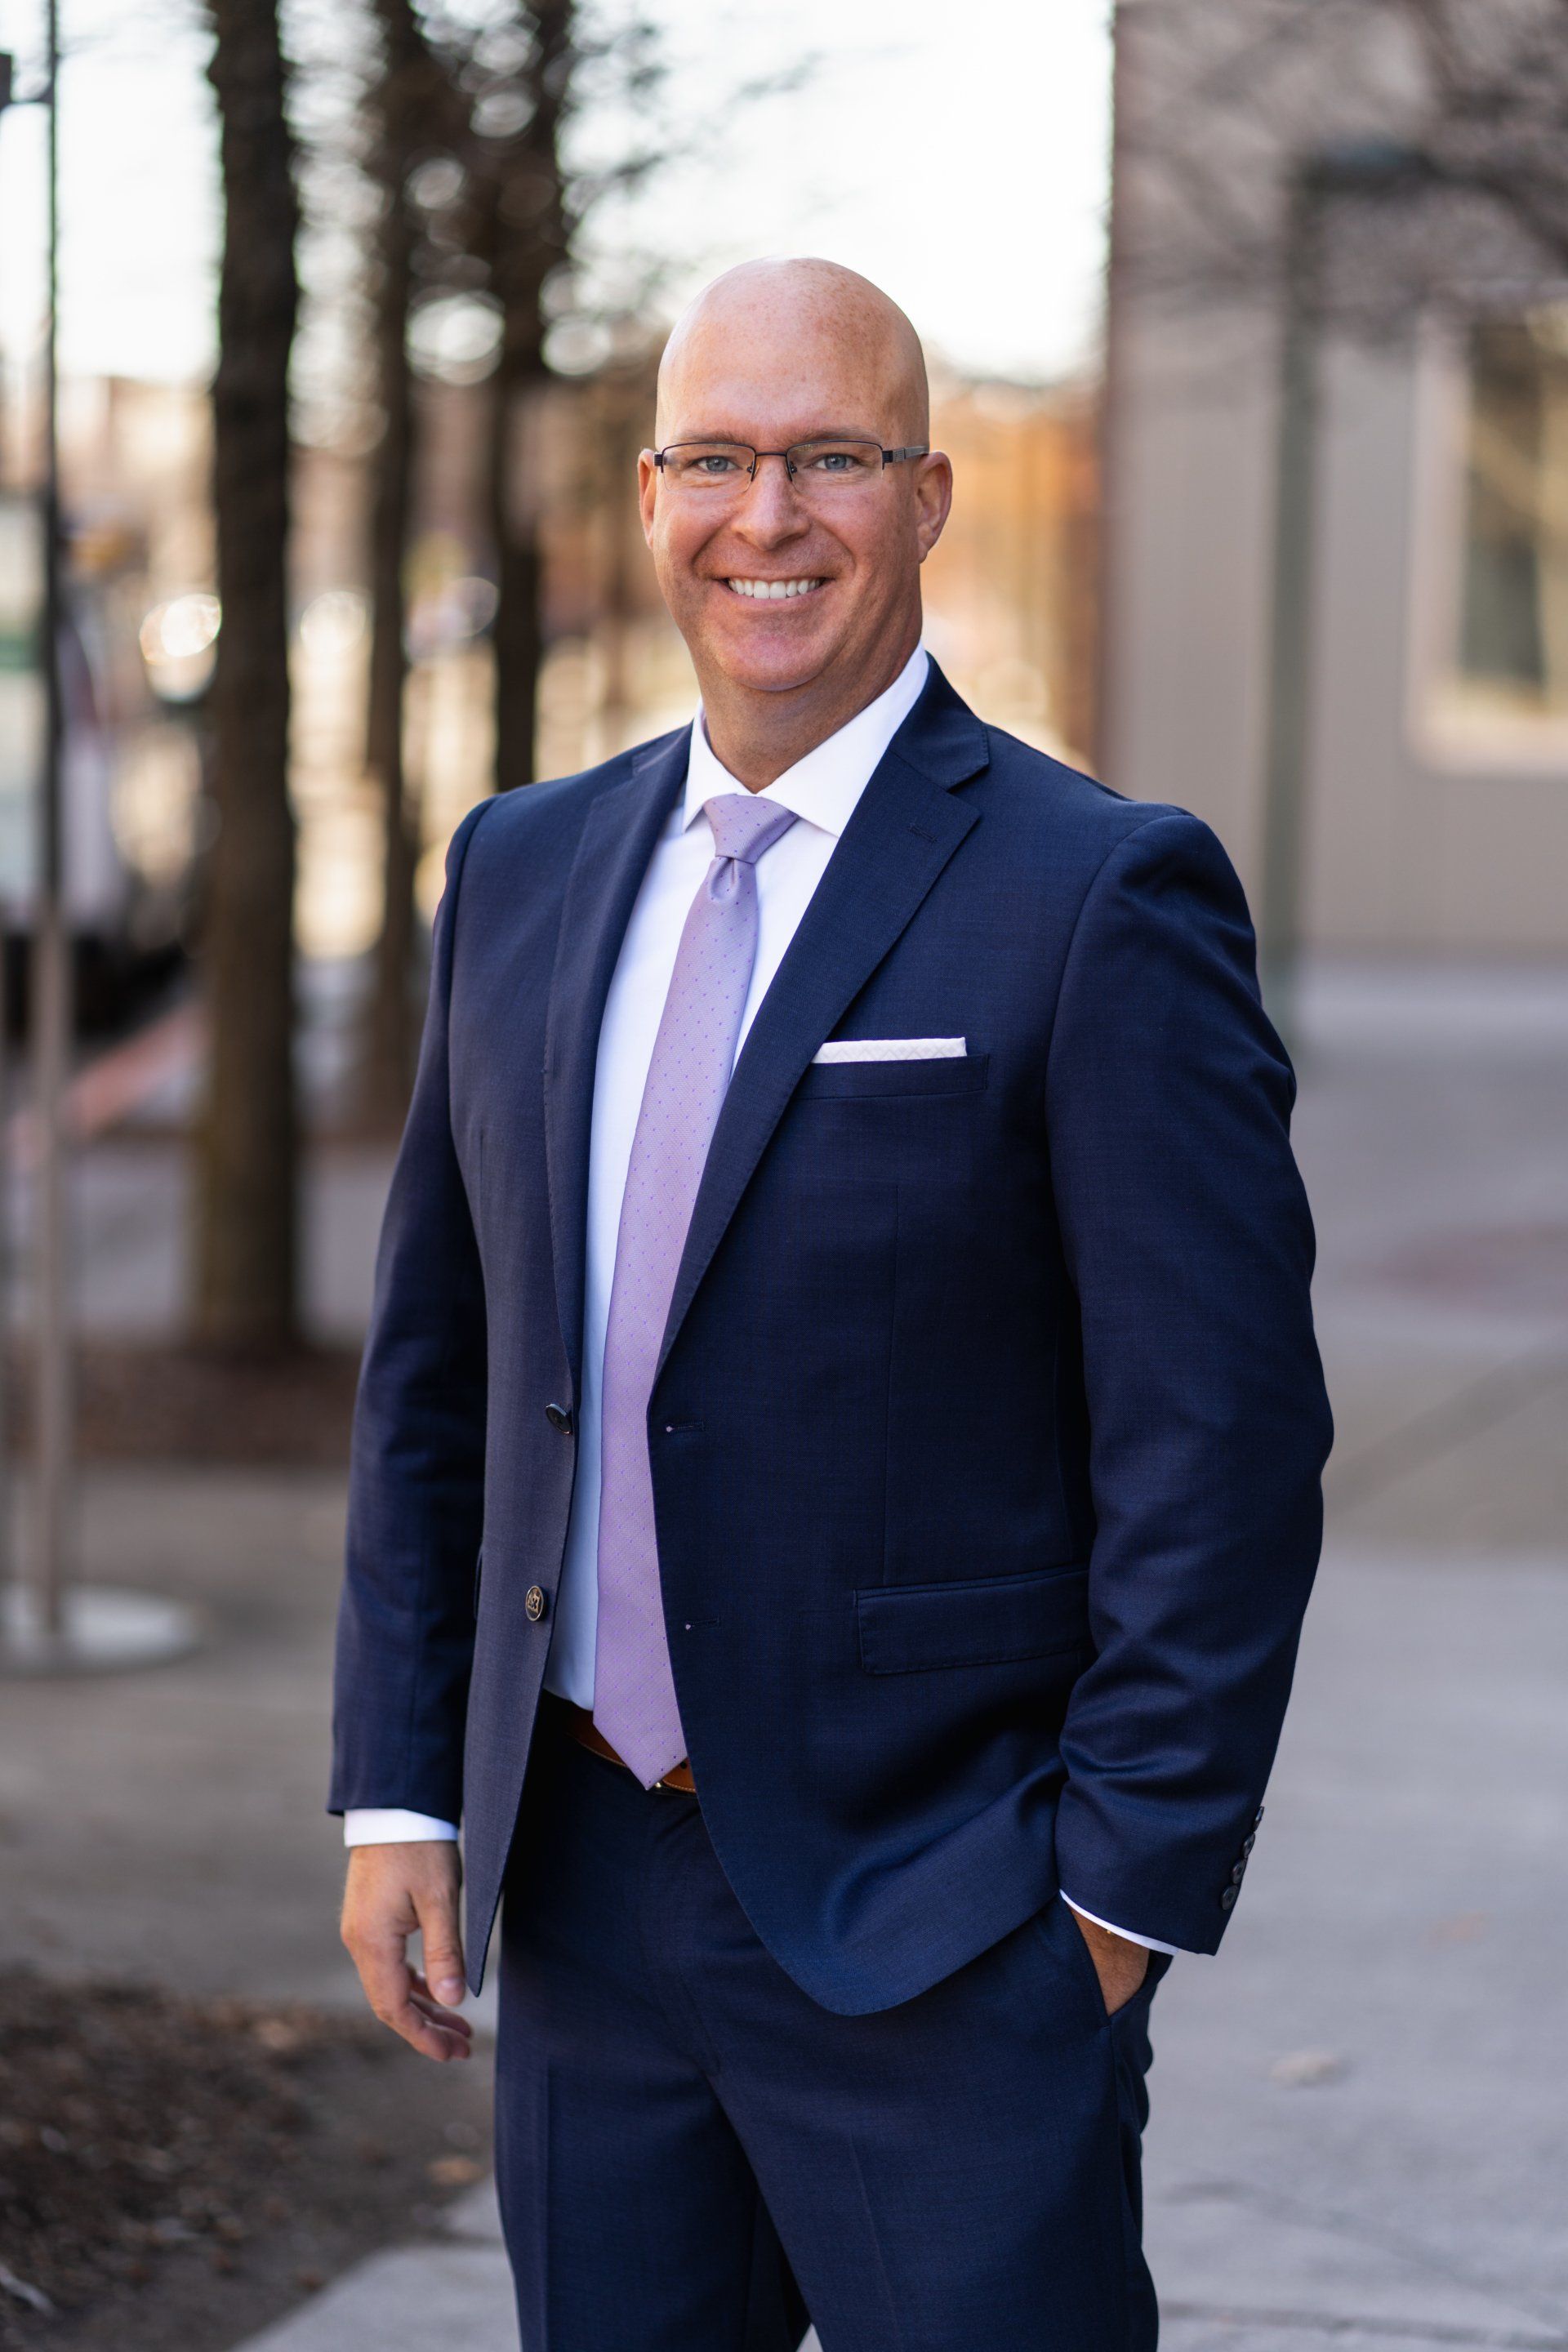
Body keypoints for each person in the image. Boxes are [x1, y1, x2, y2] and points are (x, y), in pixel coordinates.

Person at [332, 257, 1332, 2351]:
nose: (765, 517)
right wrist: (407, 1790)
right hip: (589, 1900)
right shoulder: (519, 870)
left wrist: (1113, 1903)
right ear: (649, 490)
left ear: (929, 495)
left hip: (953, 1926)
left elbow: (1218, 1440)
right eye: (716, 457)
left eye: (828, 459)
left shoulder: (1097, 891)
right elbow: (446, 1378)